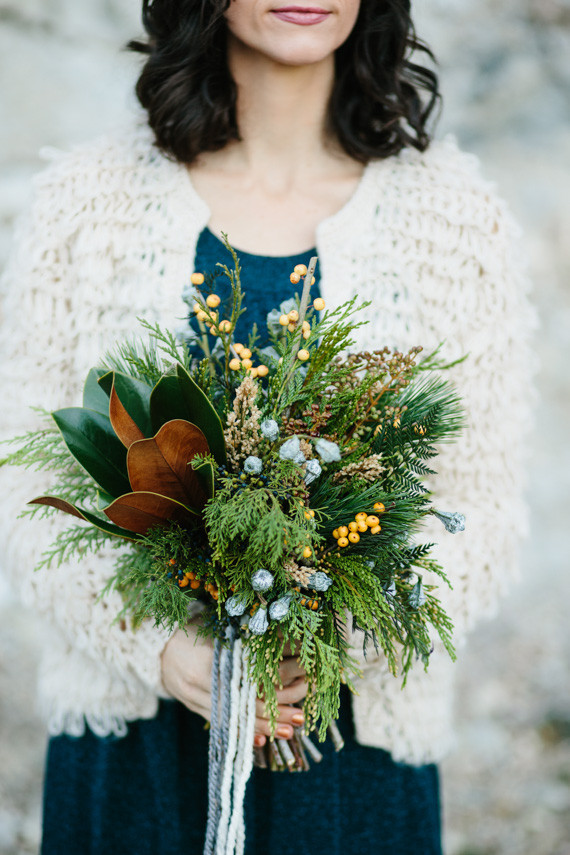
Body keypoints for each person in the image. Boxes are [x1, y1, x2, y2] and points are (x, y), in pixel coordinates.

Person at [0, 0, 536, 852]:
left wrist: (332, 637)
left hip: (351, 759)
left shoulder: (458, 225)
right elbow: (26, 484)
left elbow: (483, 508)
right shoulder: (83, 206)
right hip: (136, 756)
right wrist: (163, 650)